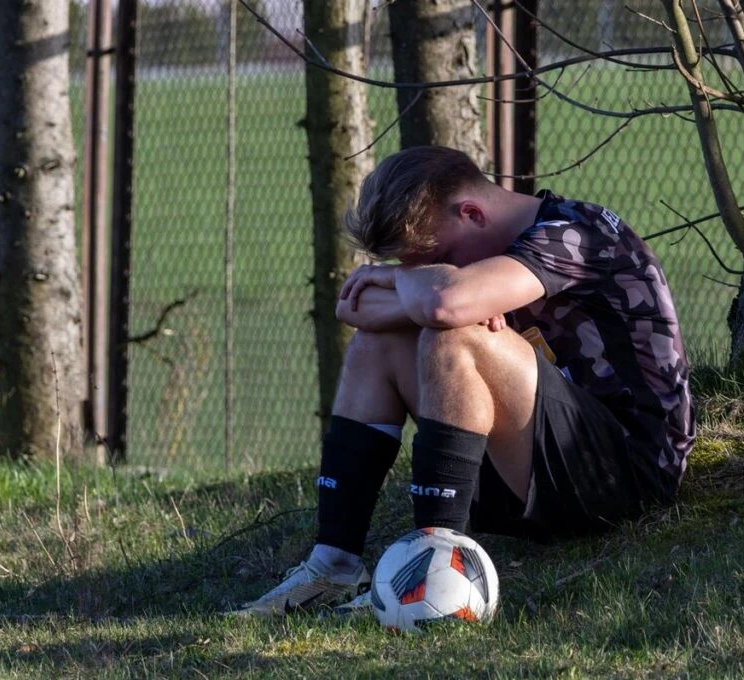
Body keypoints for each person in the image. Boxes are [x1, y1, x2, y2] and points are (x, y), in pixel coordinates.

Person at [233, 145, 695, 616]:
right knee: (379, 342)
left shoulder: (577, 234)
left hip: (623, 473)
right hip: (531, 466)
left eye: (440, 258)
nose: (434, 273)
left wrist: (421, 289)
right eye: (412, 267)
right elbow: (355, 307)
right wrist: (429, 287)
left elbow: (444, 305)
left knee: (452, 336)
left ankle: (433, 573)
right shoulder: (473, 261)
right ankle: (333, 565)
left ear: (472, 213)